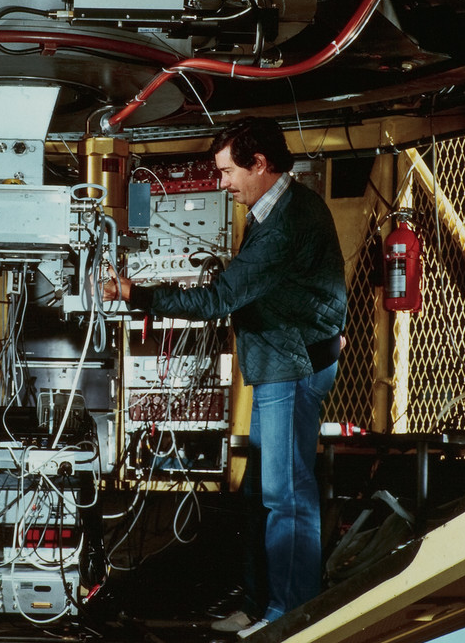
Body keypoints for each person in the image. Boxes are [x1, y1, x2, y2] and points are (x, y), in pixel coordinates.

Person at [103, 116, 347, 637]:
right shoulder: (275, 207)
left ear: (258, 164)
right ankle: (261, 607)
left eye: (227, 172)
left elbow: (220, 299)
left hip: (291, 366)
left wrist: (133, 293)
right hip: (280, 361)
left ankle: (290, 618)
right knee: (262, 494)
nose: (222, 184)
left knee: (286, 496)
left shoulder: (285, 220)